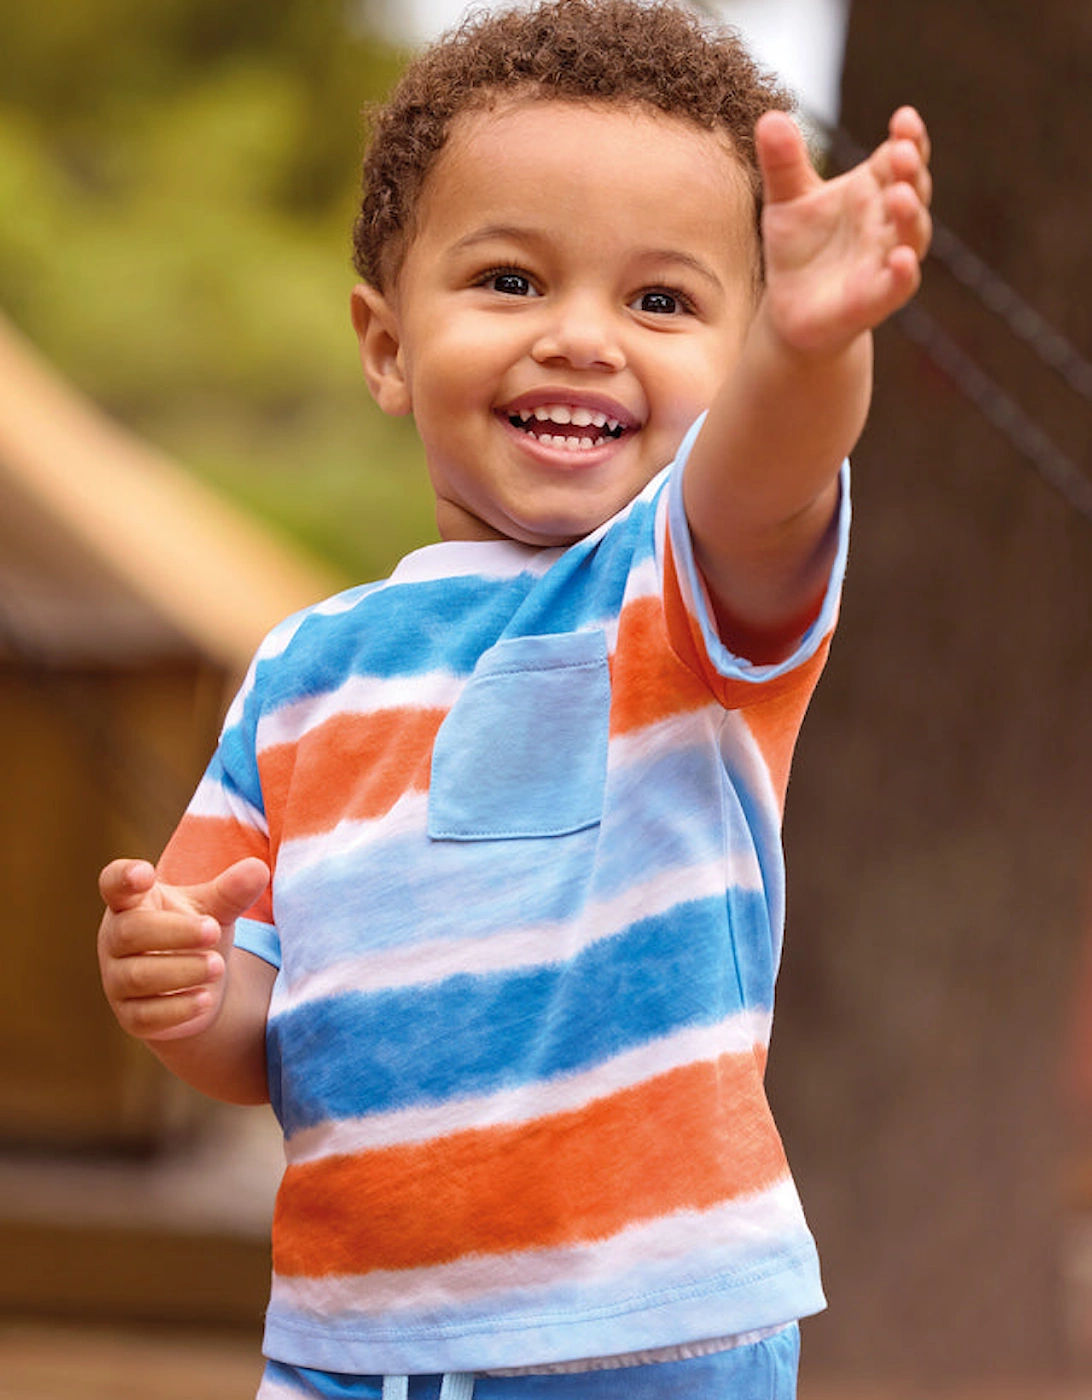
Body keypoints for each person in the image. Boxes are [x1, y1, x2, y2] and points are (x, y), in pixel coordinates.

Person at [97, 2, 931, 1396]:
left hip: (650, 1332)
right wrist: (180, 995)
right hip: (350, 1339)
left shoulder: (675, 597)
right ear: (385, 344)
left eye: (662, 301)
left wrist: (809, 348)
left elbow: (770, 475)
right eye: (510, 281)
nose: (582, 339)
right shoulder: (304, 672)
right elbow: (261, 1024)